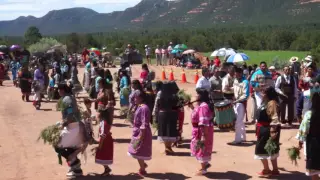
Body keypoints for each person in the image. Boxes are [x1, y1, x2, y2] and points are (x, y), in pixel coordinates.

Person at [55, 83, 88, 177]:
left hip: (72, 127)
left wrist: (64, 123)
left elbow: (70, 114)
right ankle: (76, 169)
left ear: (62, 90)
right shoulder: (68, 97)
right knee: (71, 146)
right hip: (73, 126)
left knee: (57, 145)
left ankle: (74, 162)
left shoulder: (67, 99)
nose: (57, 91)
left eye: (58, 89)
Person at [254, 87, 281, 177]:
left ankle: (266, 170)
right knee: (271, 149)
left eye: (263, 92)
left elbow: (274, 117)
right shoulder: (266, 102)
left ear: (267, 94)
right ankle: (275, 170)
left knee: (261, 149)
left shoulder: (271, 103)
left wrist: (272, 130)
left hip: (267, 129)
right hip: (264, 128)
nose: (262, 94)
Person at [296, 83, 320, 180]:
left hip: (313, 142)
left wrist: (300, 142)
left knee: (314, 167)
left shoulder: (309, 114)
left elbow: (303, 130)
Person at [188, 88, 214, 176]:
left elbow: (204, 122)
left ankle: (203, 169)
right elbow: (197, 114)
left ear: (200, 96)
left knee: (202, 148)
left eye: (197, 94)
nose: (195, 96)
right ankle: (205, 164)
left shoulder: (203, 106)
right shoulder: (201, 105)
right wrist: (192, 107)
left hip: (202, 131)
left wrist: (203, 135)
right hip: (198, 130)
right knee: (198, 148)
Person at [127, 91, 152, 176]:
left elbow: (144, 123)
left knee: (138, 150)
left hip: (141, 133)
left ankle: (142, 169)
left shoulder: (144, 108)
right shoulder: (139, 107)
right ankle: (142, 165)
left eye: (136, 98)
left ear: (141, 98)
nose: (134, 99)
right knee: (136, 150)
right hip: (137, 132)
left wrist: (141, 136)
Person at [94, 79, 114, 176]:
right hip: (106, 140)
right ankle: (106, 169)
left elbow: (102, 135)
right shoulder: (105, 121)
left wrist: (99, 146)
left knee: (103, 155)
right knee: (103, 157)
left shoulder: (104, 122)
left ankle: (107, 170)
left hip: (105, 142)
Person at [157, 81, 179, 155]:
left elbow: (158, 106)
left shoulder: (161, 96)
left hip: (162, 114)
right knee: (170, 131)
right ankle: (168, 148)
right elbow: (177, 106)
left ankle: (167, 148)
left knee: (164, 131)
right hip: (172, 114)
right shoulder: (174, 96)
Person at [231, 67, 249, 144]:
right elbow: (235, 88)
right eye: (235, 74)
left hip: (241, 103)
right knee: (240, 121)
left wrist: (237, 100)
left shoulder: (245, 82)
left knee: (238, 122)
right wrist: (229, 89)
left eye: (237, 74)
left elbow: (246, 95)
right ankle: (243, 137)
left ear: (241, 73)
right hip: (236, 103)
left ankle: (237, 139)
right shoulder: (235, 80)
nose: (236, 75)